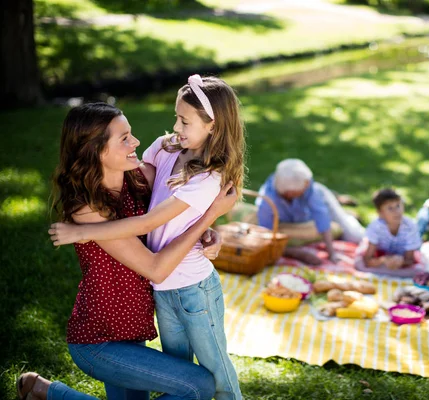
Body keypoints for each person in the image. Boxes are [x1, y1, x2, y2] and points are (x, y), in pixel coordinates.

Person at [19, 102, 238, 399]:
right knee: (198, 386)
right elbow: (156, 268)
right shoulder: (87, 209)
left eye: (131, 133)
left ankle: (45, 392)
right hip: (99, 343)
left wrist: (203, 229)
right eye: (124, 138)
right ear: (95, 150)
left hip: (132, 334)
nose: (135, 142)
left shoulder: (135, 180)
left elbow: (170, 217)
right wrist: (210, 216)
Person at [256, 158, 365, 265]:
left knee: (354, 236)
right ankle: (341, 204)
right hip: (304, 216)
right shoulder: (265, 202)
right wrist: (300, 255)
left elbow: (321, 217)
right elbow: (267, 237)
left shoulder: (309, 187)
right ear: (289, 193)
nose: (309, 184)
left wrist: (332, 253)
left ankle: (340, 206)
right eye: (305, 186)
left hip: (321, 198)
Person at [361, 188, 429, 269]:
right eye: (390, 208)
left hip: (409, 239)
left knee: (421, 225)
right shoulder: (375, 228)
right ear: (380, 213)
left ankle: (427, 209)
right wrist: (383, 260)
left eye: (398, 206)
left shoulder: (410, 227)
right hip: (387, 254)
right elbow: (367, 259)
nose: (396, 211)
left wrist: (402, 262)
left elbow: (410, 260)